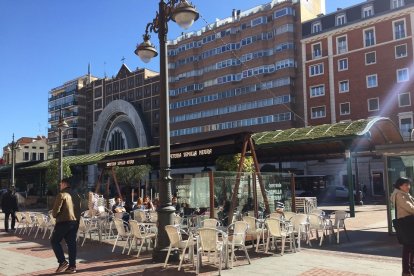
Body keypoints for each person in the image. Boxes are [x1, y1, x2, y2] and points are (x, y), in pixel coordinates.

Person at [51, 178, 81, 274]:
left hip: (63, 222)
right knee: (71, 244)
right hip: (75, 222)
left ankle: (62, 262)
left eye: (60, 184)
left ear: (64, 184)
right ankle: (72, 267)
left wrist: (55, 215)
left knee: (54, 241)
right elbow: (79, 209)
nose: (60, 186)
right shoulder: (76, 195)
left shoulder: (62, 194)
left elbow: (55, 212)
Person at [390, 177, 414, 276]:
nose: (408, 186)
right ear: (400, 186)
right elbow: (410, 208)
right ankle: (406, 270)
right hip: (406, 223)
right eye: (405, 185)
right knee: (408, 247)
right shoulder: (400, 195)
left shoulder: (404, 194)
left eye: (409, 184)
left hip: (407, 223)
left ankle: (409, 269)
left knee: (409, 247)